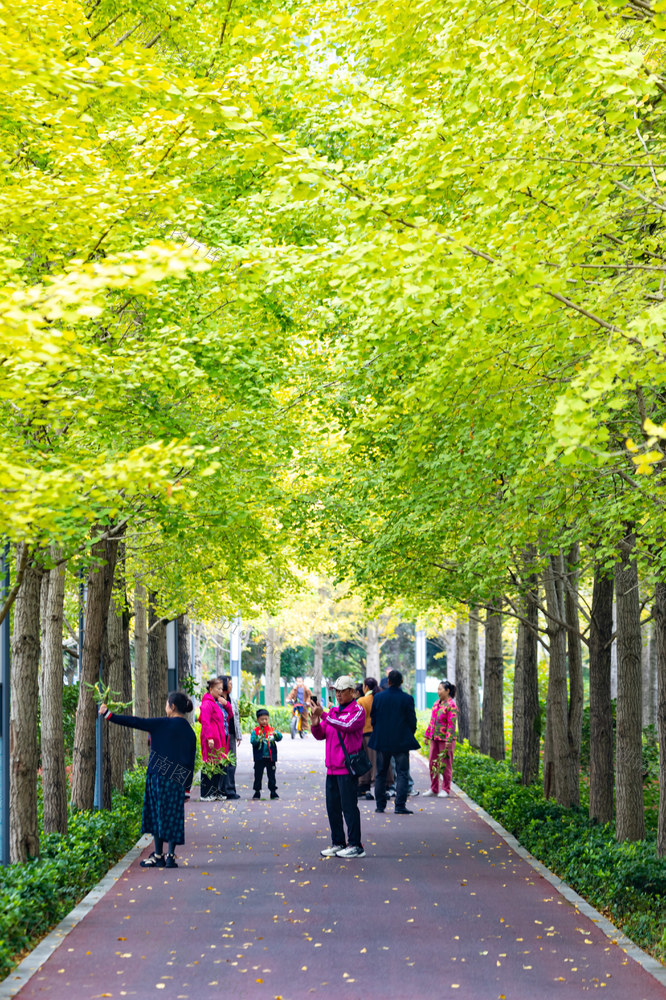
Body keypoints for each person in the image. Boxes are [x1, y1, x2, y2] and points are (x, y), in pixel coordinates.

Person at [99, 691, 196, 869]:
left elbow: (135, 721)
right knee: (174, 816)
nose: (166, 706)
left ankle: (158, 855)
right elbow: (190, 762)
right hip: (177, 779)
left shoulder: (161, 724)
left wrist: (108, 714)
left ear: (172, 706)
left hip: (157, 776)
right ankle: (170, 857)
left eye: (167, 703)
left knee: (157, 815)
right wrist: (187, 789)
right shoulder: (189, 732)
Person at [311, 675, 366, 859]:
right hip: (331, 768)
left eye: (342, 691)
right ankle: (338, 842)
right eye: (336, 691)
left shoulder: (357, 711)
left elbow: (347, 726)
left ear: (352, 692)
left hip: (346, 767)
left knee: (349, 807)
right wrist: (315, 722)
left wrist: (324, 714)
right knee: (332, 808)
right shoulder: (333, 711)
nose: (339, 694)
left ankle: (355, 845)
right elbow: (322, 734)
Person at [370, 669, 420, 815]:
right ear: (401, 682)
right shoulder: (407, 698)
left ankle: (380, 806)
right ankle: (400, 805)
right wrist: (408, 733)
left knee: (381, 772)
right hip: (401, 741)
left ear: (389, 681)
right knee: (403, 773)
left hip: (382, 740)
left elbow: (373, 718)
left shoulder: (378, 698)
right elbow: (412, 721)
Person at [423, 680, 457, 798]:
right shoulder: (436, 703)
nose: (438, 692)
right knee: (433, 763)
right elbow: (432, 721)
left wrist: (449, 739)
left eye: (440, 689)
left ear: (447, 691)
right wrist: (427, 735)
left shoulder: (451, 705)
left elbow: (451, 724)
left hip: (445, 740)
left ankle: (446, 789)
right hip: (434, 738)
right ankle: (434, 788)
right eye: (437, 689)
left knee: (445, 764)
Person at [199, 677, 229, 801]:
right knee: (209, 765)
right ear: (211, 689)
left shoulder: (214, 702)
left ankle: (215, 792)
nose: (220, 691)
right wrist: (209, 738)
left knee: (217, 765)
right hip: (211, 739)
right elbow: (204, 721)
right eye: (218, 688)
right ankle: (205, 793)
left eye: (221, 689)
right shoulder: (207, 703)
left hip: (218, 739)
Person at [251, 708, 283, 798]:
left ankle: (273, 791)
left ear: (268, 719)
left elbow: (279, 738)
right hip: (259, 758)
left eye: (266, 719)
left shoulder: (271, 730)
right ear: (258, 720)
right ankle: (257, 792)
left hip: (270, 757)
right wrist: (258, 738)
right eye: (262, 719)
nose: (264, 721)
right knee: (258, 775)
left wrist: (276, 735)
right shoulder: (256, 731)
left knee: (271, 775)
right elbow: (253, 741)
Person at [219, 675, 241, 799]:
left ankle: (230, 790)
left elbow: (236, 718)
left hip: (231, 735)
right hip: (221, 736)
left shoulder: (232, 700)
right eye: (229, 683)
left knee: (232, 762)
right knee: (222, 762)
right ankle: (222, 790)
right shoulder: (217, 700)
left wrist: (239, 735)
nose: (231, 686)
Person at [356, 677, 377, 800]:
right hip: (375, 734)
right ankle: (373, 787)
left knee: (363, 762)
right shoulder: (377, 698)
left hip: (363, 734)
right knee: (374, 762)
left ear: (366, 687)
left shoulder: (362, 701)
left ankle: (363, 788)